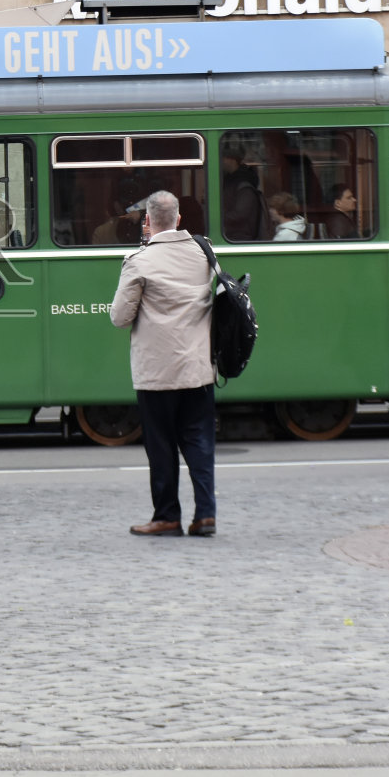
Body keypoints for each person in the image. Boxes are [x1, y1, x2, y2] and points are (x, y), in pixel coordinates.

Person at [109, 191, 217, 537]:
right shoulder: (203, 252)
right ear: (179, 220)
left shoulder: (139, 261)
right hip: (198, 366)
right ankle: (205, 515)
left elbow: (120, 317)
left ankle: (167, 516)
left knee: (161, 446)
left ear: (148, 222)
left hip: (156, 372)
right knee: (199, 442)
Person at [220, 146, 268, 241]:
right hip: (232, 234)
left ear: (232, 160)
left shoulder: (244, 186)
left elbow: (240, 214)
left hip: (240, 237)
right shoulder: (230, 181)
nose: (221, 162)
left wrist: (218, 218)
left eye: (223, 159)